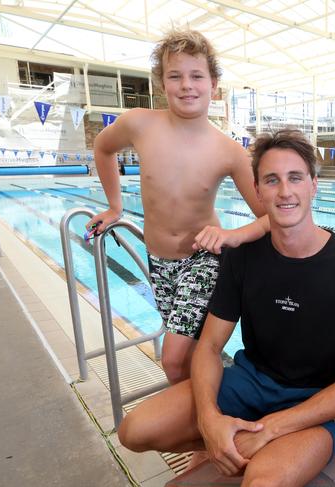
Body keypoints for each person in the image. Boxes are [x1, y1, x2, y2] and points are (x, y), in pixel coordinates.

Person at [117, 129, 335, 485]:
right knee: (135, 430)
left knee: (262, 483)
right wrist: (210, 420)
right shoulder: (241, 257)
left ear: (314, 185)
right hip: (251, 382)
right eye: (272, 180)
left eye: (295, 178)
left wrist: (273, 428)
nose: (285, 192)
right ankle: (234, 442)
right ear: (257, 191)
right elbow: (210, 347)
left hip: (321, 400)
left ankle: (261, 446)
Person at [85, 29, 268, 384]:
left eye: (197, 76)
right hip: (158, 262)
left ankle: (200, 420)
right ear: (162, 83)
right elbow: (103, 148)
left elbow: (269, 217)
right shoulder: (139, 124)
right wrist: (114, 207)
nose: (187, 85)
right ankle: (199, 419)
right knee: (189, 356)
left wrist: (230, 235)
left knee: (172, 358)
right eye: (176, 76)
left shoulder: (227, 150)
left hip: (203, 260)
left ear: (214, 85)